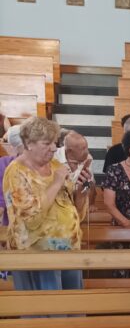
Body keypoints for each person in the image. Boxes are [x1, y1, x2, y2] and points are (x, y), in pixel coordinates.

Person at [3, 116, 87, 290]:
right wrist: (56, 182)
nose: (54, 148)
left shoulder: (55, 165)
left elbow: (75, 211)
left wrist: (81, 191)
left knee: (74, 307)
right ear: (29, 144)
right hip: (36, 253)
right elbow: (31, 218)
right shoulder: (16, 172)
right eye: (46, 143)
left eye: (54, 142)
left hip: (69, 247)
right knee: (47, 310)